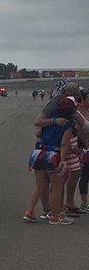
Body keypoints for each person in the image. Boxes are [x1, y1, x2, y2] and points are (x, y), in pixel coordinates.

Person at [22, 96, 77, 225]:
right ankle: (55, 216)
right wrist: (63, 161)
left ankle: (29, 212)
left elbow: (38, 134)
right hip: (53, 155)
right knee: (56, 188)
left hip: (39, 153)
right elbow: (64, 144)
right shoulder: (67, 125)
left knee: (40, 186)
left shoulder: (48, 121)